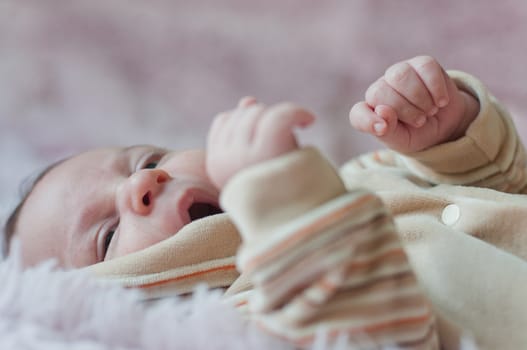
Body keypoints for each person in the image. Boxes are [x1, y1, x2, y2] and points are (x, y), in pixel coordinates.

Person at [4, 55, 527, 349]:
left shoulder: (359, 179)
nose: (143, 185)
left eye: (145, 161)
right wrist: (287, 204)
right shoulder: (253, 320)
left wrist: (450, 132)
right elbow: (370, 336)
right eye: (108, 236)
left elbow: (507, 182)